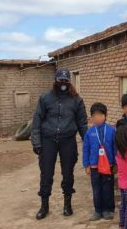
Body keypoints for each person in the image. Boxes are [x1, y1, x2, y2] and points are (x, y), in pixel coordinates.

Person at [31, 68, 88, 220]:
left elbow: (82, 123)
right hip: (48, 140)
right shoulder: (45, 98)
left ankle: (67, 204)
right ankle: (44, 206)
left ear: (69, 82)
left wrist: (88, 142)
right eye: (60, 80)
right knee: (46, 173)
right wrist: (36, 142)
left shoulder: (77, 100)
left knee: (68, 173)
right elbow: (37, 121)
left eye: (65, 81)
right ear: (55, 80)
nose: (62, 83)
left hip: (68, 140)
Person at [82, 103, 116, 221]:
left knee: (108, 188)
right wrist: (86, 165)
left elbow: (115, 147)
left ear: (105, 116)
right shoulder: (89, 132)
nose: (96, 117)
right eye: (94, 115)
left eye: (99, 115)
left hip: (108, 165)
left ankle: (108, 210)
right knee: (96, 188)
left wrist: (115, 164)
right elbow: (85, 149)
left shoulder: (112, 130)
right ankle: (98, 210)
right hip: (94, 165)